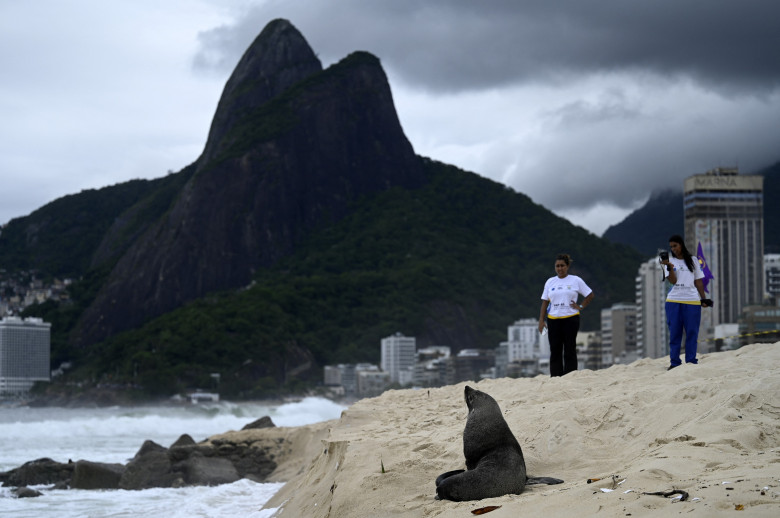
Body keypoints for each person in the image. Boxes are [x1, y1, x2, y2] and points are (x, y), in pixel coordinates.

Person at [659, 234, 713, 370]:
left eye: (675, 246)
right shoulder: (669, 262)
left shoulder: (693, 260)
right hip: (673, 300)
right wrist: (669, 267)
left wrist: (703, 299)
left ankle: (691, 361)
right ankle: (675, 362)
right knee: (675, 333)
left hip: (692, 301)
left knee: (692, 332)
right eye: (671, 247)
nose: (673, 249)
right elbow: (673, 281)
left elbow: (699, 281)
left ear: (681, 245)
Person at [538, 254, 594, 377]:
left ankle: (570, 376)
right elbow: (545, 302)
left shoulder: (575, 280)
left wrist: (580, 306)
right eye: (557, 266)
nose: (560, 268)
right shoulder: (550, 282)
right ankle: (556, 377)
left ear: (567, 266)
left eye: (562, 265)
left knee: (570, 349)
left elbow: (589, 295)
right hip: (553, 320)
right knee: (555, 350)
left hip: (571, 319)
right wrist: (541, 320)